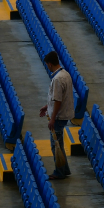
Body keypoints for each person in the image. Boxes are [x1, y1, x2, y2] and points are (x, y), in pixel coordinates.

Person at [39, 51, 74, 180]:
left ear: (49, 64)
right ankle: (64, 169)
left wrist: (52, 118)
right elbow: (59, 99)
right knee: (59, 144)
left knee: (56, 145)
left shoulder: (58, 79)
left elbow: (58, 100)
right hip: (63, 113)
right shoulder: (65, 74)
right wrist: (47, 106)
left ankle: (60, 172)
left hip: (59, 117)